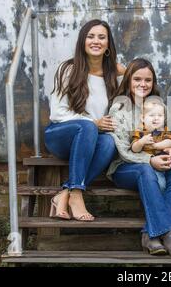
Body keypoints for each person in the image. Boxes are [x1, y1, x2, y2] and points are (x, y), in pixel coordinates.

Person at [107, 58, 171, 257]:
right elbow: (123, 151)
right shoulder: (119, 109)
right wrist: (150, 160)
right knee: (145, 170)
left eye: (148, 80)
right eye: (137, 79)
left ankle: (149, 235)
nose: (143, 84)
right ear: (127, 80)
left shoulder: (158, 107)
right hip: (126, 168)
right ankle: (170, 233)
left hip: (158, 165)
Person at [45, 19, 125, 222]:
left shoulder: (113, 76)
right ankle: (77, 194)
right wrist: (93, 123)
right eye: (90, 36)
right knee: (88, 126)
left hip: (92, 140)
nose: (95, 41)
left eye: (101, 37)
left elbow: (129, 103)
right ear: (82, 41)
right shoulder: (68, 70)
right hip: (61, 136)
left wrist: (126, 73)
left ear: (108, 44)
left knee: (109, 141)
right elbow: (57, 113)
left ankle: (65, 193)